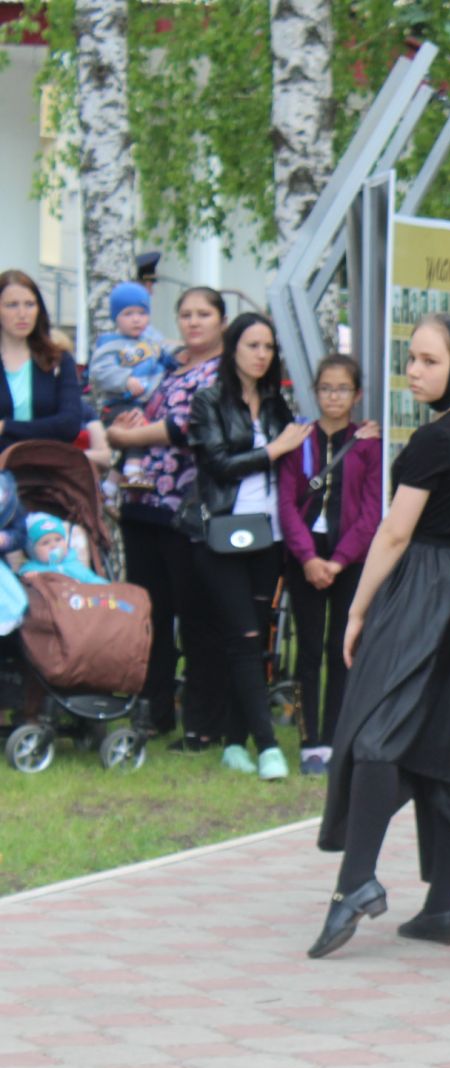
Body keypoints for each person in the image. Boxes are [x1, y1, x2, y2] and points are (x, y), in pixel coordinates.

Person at [308, 315, 450, 960]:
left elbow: (393, 533)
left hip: (420, 587)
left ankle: (355, 881)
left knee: (377, 730)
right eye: (411, 358)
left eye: (428, 360)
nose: (413, 369)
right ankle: (441, 908)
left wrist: (359, 610)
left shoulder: (439, 436)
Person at [183, 312, 308, 781]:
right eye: (253, 345)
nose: (261, 354)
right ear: (233, 347)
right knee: (244, 638)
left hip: (269, 535)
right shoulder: (208, 401)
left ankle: (235, 742)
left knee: (255, 643)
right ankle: (268, 746)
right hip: (222, 534)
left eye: (269, 347)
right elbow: (216, 463)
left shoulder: (277, 404)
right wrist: (273, 451)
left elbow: (300, 458)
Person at [105, 285, 228, 748]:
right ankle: (154, 712)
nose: (194, 322)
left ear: (220, 321)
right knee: (150, 615)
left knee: (195, 617)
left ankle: (202, 723)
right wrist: (125, 429)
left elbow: (187, 428)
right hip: (142, 502)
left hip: (186, 510)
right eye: (186, 314)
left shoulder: (223, 372)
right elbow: (135, 410)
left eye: (204, 314)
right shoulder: (164, 365)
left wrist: (125, 439)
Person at [279, 354, 382, 777]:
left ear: (356, 395)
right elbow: (285, 503)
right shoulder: (299, 438)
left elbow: (372, 511)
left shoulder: (368, 443)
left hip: (349, 558)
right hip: (306, 555)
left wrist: (338, 563)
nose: (333, 396)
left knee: (343, 648)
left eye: (342, 389)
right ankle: (309, 741)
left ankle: (337, 735)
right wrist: (308, 558)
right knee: (307, 650)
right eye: (326, 388)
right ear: (315, 391)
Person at [0, 269, 86, 454]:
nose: (22, 314)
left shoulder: (58, 360)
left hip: (45, 469)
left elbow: (69, 425)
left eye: (30, 304)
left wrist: (5, 427)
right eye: (12, 305)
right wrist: (43, 429)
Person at [89, 282, 173, 420]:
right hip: (123, 403)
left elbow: (165, 354)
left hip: (155, 399)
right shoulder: (111, 345)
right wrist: (125, 380)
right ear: (116, 318)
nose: (136, 319)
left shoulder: (152, 340)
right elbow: (100, 372)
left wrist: (177, 358)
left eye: (142, 313)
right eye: (128, 314)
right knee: (132, 421)